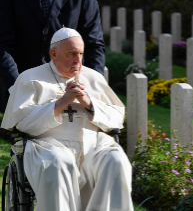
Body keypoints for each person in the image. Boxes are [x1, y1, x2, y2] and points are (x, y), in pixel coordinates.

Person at [1, 28, 133, 211]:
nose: (78, 60)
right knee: (58, 161)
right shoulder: (30, 78)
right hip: (48, 144)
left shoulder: (94, 78)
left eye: (80, 54)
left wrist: (88, 103)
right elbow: (23, 123)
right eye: (71, 54)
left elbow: (117, 118)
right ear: (54, 54)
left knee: (116, 160)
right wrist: (62, 102)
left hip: (93, 145)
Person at [0, 0, 106, 112]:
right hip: (25, 86)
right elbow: (3, 44)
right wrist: (16, 88)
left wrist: (91, 88)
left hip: (71, 86)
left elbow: (94, 45)